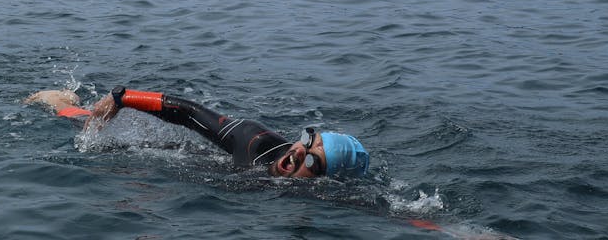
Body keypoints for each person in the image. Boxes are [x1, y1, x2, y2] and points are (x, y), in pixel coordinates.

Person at [26, 86, 369, 179]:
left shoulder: (315, 195)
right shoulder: (255, 141)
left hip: (215, 177)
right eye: (309, 141)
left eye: (314, 162)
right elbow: (190, 114)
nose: (299, 153)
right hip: (193, 158)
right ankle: (61, 101)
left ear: (325, 180)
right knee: (93, 134)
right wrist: (122, 97)